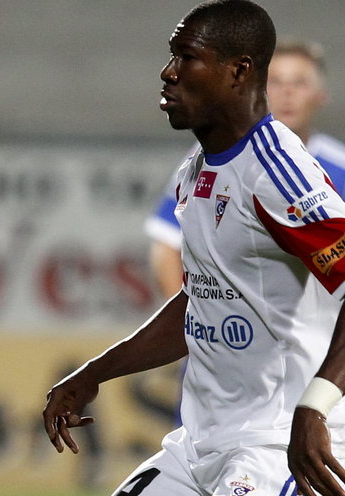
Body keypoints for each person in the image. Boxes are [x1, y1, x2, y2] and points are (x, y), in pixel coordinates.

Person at [43, 1, 345, 496]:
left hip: (280, 444)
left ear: (239, 71)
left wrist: (317, 403)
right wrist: (96, 372)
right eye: (171, 56)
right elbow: (202, 299)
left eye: (187, 57)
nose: (168, 73)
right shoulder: (196, 170)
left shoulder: (277, 172)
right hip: (198, 445)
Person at [145, 37, 345, 299]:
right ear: (256, 89)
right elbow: (167, 245)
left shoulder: (339, 167)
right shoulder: (212, 157)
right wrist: (185, 326)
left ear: (321, 95)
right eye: (275, 81)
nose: (287, 92)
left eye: (299, 83)